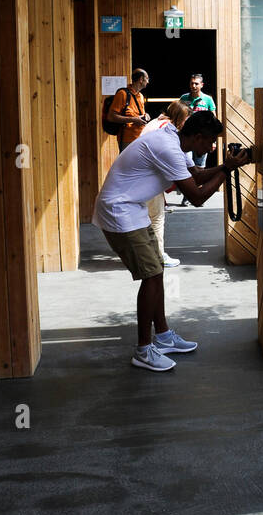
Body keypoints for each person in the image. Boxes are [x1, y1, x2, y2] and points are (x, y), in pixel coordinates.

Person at [91, 110, 253, 372]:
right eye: (210, 141)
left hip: (134, 209)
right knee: (151, 276)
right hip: (119, 211)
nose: (212, 147)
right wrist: (227, 170)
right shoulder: (167, 147)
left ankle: (163, 336)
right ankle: (143, 350)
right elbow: (198, 197)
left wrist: (224, 166)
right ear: (197, 136)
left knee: (156, 272)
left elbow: (198, 175)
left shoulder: (174, 140)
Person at [140, 101, 190, 268]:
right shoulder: (166, 128)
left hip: (141, 177)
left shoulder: (156, 121)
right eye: (185, 119)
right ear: (178, 117)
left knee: (148, 218)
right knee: (156, 218)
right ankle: (159, 256)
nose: (185, 124)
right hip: (149, 179)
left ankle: (151, 254)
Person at [175, 73, 217, 206]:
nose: (194, 86)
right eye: (192, 83)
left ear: (201, 85)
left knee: (200, 167)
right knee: (187, 166)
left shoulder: (208, 100)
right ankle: (188, 195)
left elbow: (213, 120)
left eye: (196, 83)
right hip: (187, 138)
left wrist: (213, 141)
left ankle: (198, 193)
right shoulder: (184, 98)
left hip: (202, 140)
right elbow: (178, 115)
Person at [103, 68, 151, 151]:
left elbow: (140, 114)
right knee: (128, 164)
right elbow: (111, 117)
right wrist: (134, 119)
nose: (148, 81)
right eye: (147, 79)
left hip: (140, 138)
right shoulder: (122, 94)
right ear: (141, 79)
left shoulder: (141, 96)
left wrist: (145, 116)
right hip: (127, 140)